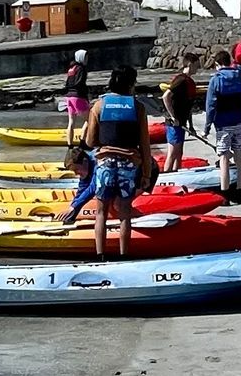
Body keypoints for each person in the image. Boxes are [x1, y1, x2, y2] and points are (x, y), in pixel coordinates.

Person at [82, 64, 155, 259]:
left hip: (105, 163)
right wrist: (146, 174)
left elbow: (90, 141)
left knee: (101, 212)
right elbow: (144, 144)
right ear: (131, 83)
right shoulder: (137, 107)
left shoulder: (99, 105)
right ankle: (124, 256)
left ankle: (100, 255)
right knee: (124, 212)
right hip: (129, 164)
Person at [201, 47, 241, 199]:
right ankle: (240, 193)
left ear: (217, 64)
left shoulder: (216, 79)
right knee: (239, 157)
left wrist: (206, 128)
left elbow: (210, 106)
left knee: (224, 158)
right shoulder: (239, 77)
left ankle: (226, 194)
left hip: (223, 125)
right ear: (229, 62)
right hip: (239, 123)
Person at [161, 58, 200, 172]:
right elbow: (165, 96)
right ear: (190, 64)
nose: (198, 68)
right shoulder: (180, 80)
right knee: (173, 153)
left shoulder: (189, 82)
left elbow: (188, 106)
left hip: (182, 122)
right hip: (174, 123)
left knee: (179, 153)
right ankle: (166, 176)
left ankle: (176, 175)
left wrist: (191, 126)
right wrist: (173, 116)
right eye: (196, 65)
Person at [61, 47, 91, 151]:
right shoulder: (81, 68)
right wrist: (85, 96)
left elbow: (67, 84)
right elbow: (80, 83)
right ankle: (83, 142)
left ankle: (70, 146)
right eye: (85, 57)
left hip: (69, 97)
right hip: (78, 97)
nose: (86, 60)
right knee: (90, 120)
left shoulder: (71, 69)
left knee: (71, 121)